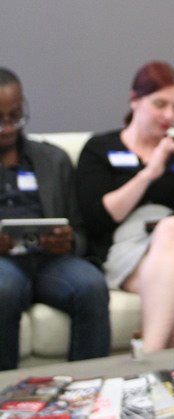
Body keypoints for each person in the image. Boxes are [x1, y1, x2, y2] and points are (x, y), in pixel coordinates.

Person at [76, 61, 174, 355]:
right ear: (134, 100)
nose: (170, 116)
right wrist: (148, 173)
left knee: (172, 227)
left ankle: (148, 357)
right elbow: (97, 219)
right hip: (128, 245)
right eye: (160, 104)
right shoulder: (99, 147)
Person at [0, 68, 110, 370]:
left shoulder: (54, 160)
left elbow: (81, 228)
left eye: (16, 116)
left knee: (91, 285)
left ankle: (87, 393)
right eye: (0, 119)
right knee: (3, 289)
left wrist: (69, 240)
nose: (8, 128)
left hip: (50, 260)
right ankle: (6, 399)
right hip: (4, 264)